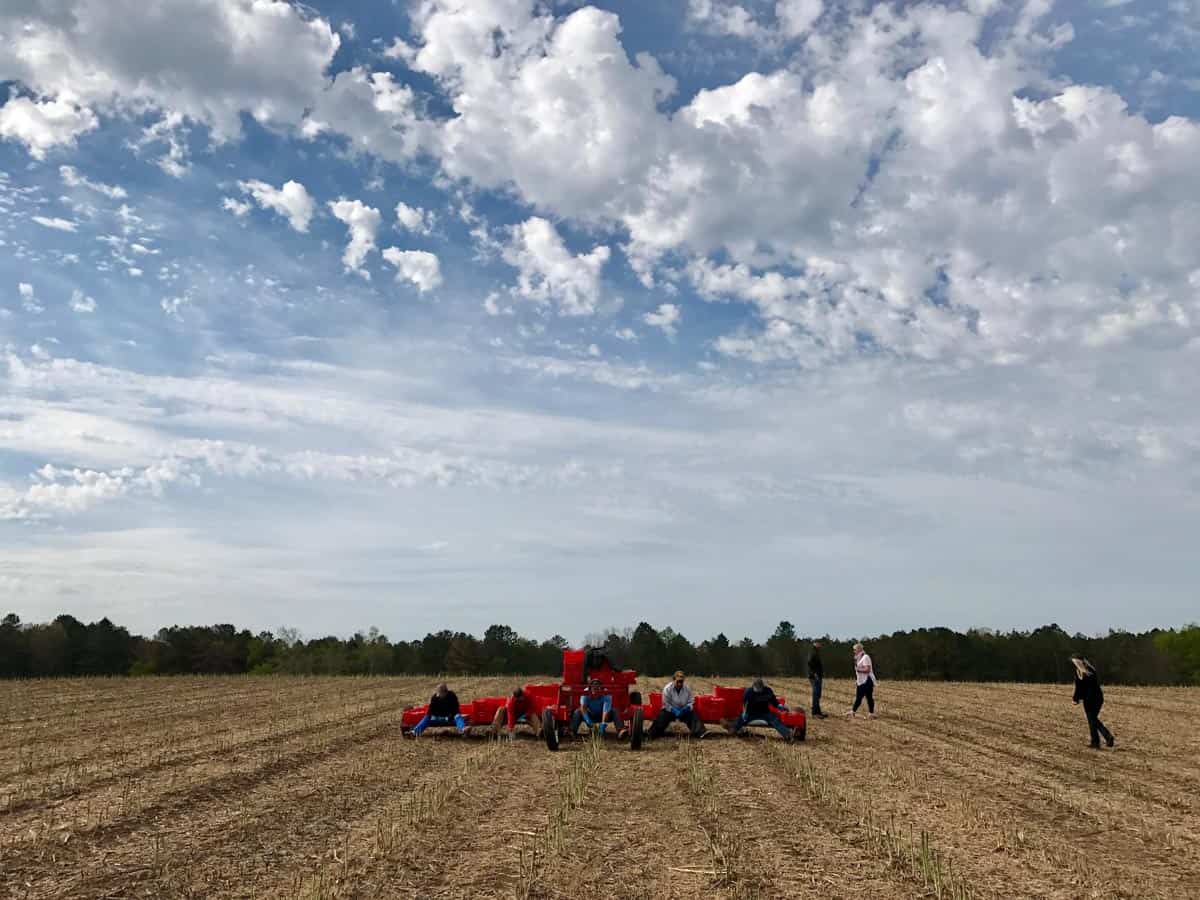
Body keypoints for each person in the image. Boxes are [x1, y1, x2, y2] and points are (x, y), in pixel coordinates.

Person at [1072, 656, 1114, 749]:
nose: (1074, 664)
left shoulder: (1085, 672)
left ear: (1078, 662)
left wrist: (1077, 698)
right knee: (1093, 720)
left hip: (1091, 700)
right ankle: (1098, 741)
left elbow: (1082, 687)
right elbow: (1080, 687)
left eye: (1074, 662)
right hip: (1096, 698)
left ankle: (1104, 738)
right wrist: (1076, 698)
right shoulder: (1087, 670)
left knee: (1092, 720)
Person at [648, 670, 706, 738]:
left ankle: (700, 732)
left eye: (681, 682)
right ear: (673, 680)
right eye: (678, 681)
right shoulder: (667, 689)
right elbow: (665, 703)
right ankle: (652, 733)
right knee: (662, 716)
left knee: (693, 715)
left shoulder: (687, 689)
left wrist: (686, 708)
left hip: (683, 710)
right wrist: (673, 710)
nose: (679, 684)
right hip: (670, 711)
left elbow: (691, 702)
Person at [732, 677, 792, 742]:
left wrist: (779, 705)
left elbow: (774, 701)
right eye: (756, 688)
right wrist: (744, 712)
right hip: (751, 713)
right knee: (740, 720)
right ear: (753, 686)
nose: (758, 690)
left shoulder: (768, 691)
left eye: (759, 688)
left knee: (775, 720)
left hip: (765, 712)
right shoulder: (748, 692)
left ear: (763, 687)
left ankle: (788, 735)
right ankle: (733, 730)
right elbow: (745, 703)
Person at [849, 643, 876, 718]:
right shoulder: (858, 658)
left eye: (855, 649)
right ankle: (869, 713)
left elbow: (867, 669)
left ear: (859, 649)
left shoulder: (865, 657)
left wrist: (858, 669)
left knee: (865, 697)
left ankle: (870, 714)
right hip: (861, 681)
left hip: (867, 681)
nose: (854, 651)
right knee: (863, 697)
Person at [808, 641, 827, 718]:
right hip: (815, 677)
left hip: (817, 676)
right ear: (815, 644)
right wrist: (814, 673)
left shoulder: (816, 652)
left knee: (818, 694)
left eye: (821, 644)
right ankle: (815, 713)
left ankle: (818, 712)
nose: (820, 645)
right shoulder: (813, 652)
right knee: (816, 694)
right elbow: (809, 662)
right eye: (819, 644)